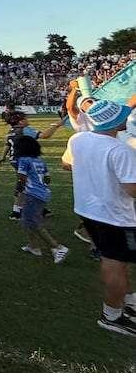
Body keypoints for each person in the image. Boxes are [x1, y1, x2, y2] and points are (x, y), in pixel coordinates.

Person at [61, 99, 136, 336]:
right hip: (115, 215)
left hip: (89, 210)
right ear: (115, 121)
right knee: (115, 261)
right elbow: (132, 189)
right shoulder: (120, 150)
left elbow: (66, 164)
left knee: (115, 259)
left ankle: (129, 301)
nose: (128, 117)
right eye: (124, 115)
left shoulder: (78, 139)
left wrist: (95, 170)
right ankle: (112, 316)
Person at [14, 136, 69, 263]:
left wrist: (18, 189)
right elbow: (47, 178)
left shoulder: (23, 160)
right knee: (27, 220)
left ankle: (58, 247)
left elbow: (21, 177)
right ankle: (33, 246)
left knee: (31, 221)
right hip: (43, 193)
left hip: (33, 194)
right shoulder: (40, 161)